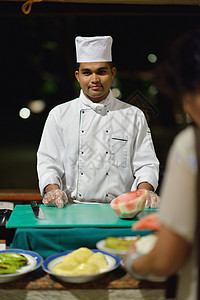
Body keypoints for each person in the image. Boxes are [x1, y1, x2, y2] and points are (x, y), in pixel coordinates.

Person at [37, 36, 159, 207]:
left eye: (101, 72)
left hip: (121, 211)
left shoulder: (133, 115)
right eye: (87, 72)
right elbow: (48, 163)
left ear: (112, 73)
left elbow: (146, 164)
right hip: (71, 210)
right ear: (78, 76)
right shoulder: (59, 114)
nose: (94, 79)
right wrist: (52, 190)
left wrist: (145, 191)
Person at [124, 29, 200, 300]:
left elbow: (166, 260)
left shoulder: (191, 145)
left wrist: (133, 262)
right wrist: (177, 216)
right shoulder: (59, 115)